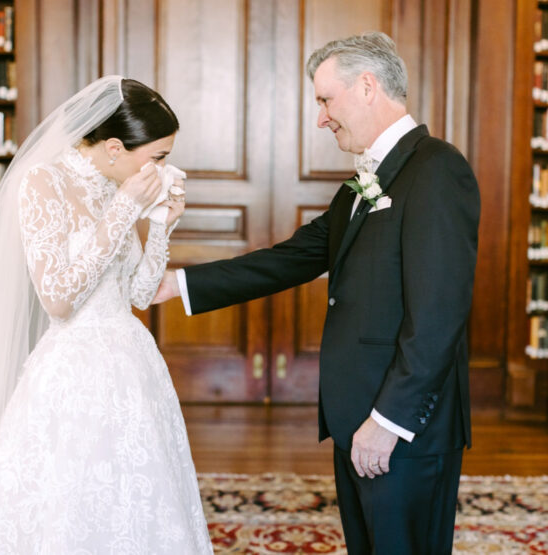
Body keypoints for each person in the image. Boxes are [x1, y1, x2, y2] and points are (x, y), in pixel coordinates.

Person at [154, 32, 479, 554]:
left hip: (402, 427)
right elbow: (290, 259)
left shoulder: (437, 169)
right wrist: (175, 284)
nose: (321, 117)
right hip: (357, 417)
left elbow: (439, 315)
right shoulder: (359, 185)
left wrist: (388, 422)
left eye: (326, 99)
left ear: (368, 86)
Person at [0, 76, 212, 554]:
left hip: (132, 363)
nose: (163, 168)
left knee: (135, 494)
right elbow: (57, 297)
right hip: (74, 367)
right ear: (114, 147)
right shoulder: (42, 183)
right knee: (66, 500)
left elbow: (136, 292)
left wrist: (159, 226)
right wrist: (125, 210)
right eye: (157, 157)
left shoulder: (116, 185)